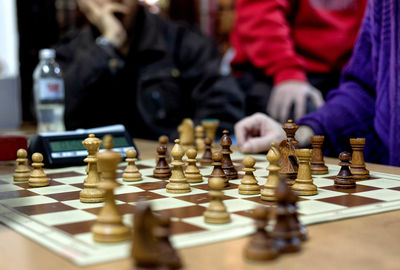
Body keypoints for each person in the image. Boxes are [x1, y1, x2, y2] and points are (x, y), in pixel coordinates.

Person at [235, 0, 400, 166]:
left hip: (340, 71)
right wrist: (301, 134)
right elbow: (366, 90)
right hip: (292, 72)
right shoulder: (385, 6)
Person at [56, 0, 245, 140]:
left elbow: (224, 110)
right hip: (96, 174)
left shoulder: (184, 42)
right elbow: (52, 115)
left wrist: (177, 146)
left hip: (169, 173)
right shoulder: (69, 51)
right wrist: (107, 45)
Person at [230, 0, 367, 122]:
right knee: (300, 114)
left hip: (348, 73)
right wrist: (287, 72)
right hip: (279, 72)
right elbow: (260, 17)